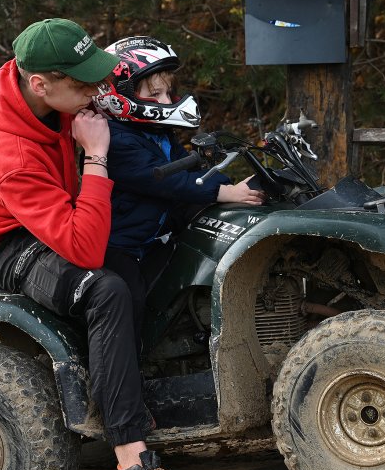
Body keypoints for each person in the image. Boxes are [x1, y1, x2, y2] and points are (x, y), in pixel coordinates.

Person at [0, 18, 206, 470]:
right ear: (42, 84)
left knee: (139, 269)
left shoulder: (47, 92)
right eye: (85, 84)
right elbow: (84, 249)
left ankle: (129, 398)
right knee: (105, 288)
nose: (97, 92)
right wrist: (98, 156)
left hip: (61, 214)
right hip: (2, 242)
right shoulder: (9, 152)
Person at [93, 35, 264, 327]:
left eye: (167, 94)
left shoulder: (159, 133)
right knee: (129, 300)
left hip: (154, 234)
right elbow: (166, 181)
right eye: (155, 94)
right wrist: (222, 191)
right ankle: (135, 360)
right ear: (120, 94)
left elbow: (190, 169)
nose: (166, 101)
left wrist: (234, 186)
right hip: (120, 246)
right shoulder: (116, 141)